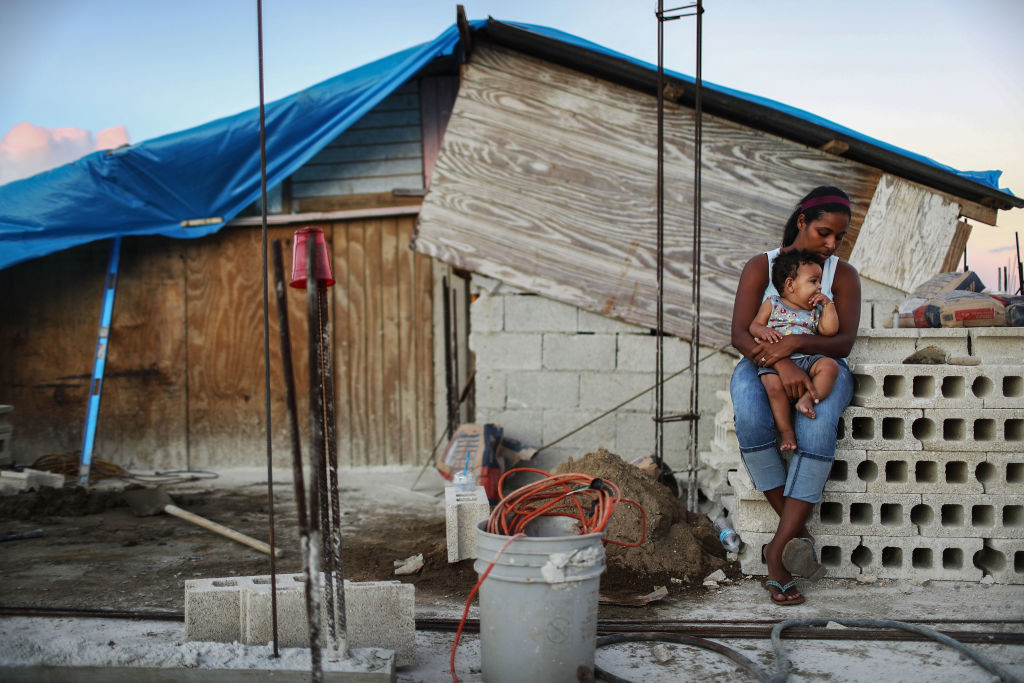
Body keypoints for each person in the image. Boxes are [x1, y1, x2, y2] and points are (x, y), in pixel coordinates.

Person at [729, 186, 860, 606]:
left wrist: (796, 345)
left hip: (824, 364)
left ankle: (777, 558)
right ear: (802, 221)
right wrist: (780, 362)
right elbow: (739, 333)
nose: (830, 244)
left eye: (838, 237)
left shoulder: (843, 275)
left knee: (818, 427)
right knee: (751, 414)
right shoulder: (761, 266)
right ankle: (797, 536)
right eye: (823, 232)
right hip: (762, 361)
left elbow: (842, 344)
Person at [747, 249, 840, 452]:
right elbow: (754, 326)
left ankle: (809, 398)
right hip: (777, 361)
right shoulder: (772, 304)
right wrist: (763, 330)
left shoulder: (815, 310)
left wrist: (829, 305)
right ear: (790, 284)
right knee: (772, 387)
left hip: (808, 360)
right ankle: (787, 431)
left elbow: (830, 331)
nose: (820, 286)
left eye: (820, 281)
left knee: (830, 366)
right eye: (813, 281)